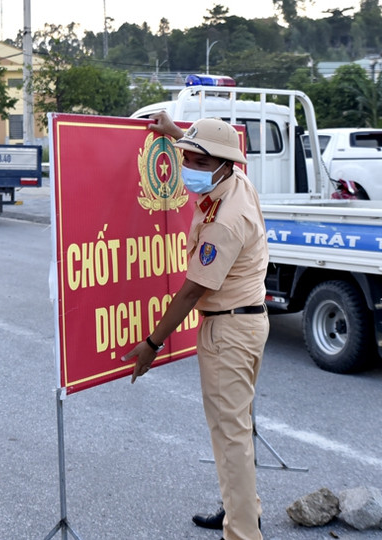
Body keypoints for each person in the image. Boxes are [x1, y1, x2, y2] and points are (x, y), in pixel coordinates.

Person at [122, 114, 269, 540]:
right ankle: (242, 512)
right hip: (246, 322)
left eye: (199, 162)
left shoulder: (225, 219)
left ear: (224, 164)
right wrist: (176, 133)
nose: (188, 168)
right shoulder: (238, 183)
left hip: (229, 331)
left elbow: (190, 292)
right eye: (186, 158)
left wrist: (152, 343)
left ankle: (242, 532)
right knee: (236, 430)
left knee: (230, 436)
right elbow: (204, 152)